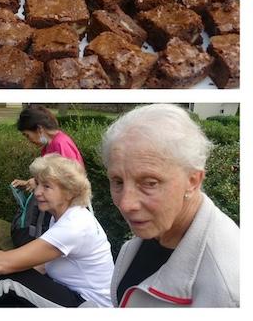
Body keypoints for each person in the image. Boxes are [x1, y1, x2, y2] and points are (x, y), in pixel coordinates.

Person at [102, 104, 239, 307]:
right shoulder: (158, 228)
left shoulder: (228, 291)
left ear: (193, 181)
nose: (125, 203)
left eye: (150, 183)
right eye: (118, 181)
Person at [0, 155, 114, 307]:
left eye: (47, 186)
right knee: (9, 281)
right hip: (72, 294)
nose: (37, 192)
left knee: (7, 280)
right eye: (37, 184)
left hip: (91, 306)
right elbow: (42, 265)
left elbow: (1, 265)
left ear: (69, 192)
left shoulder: (73, 225)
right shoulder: (61, 216)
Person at [11, 105, 83, 192]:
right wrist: (30, 182)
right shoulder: (49, 145)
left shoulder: (60, 144)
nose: (28, 140)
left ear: (39, 129)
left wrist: (37, 183)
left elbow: (70, 181)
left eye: (27, 135)